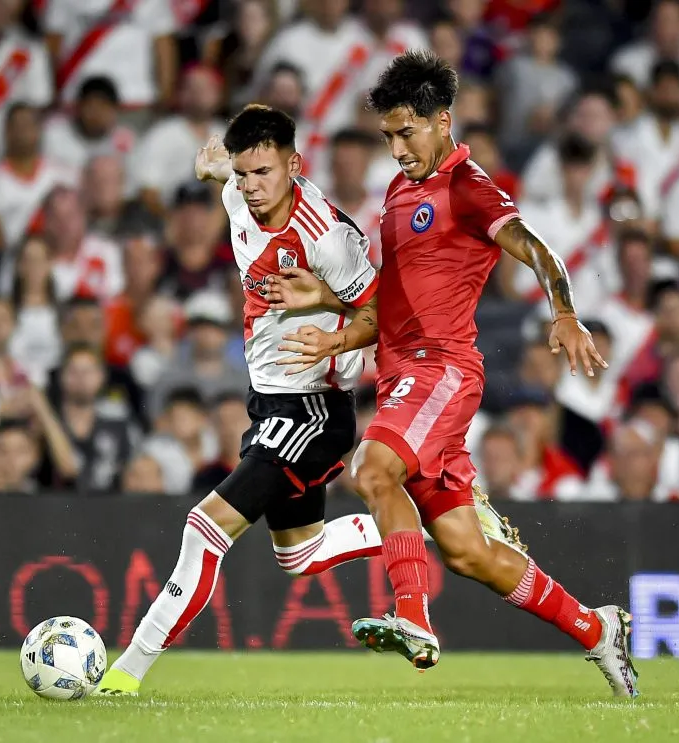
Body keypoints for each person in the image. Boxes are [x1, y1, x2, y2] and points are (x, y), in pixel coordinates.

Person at [97, 104, 508, 697]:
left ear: (293, 164)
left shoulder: (328, 238)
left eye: (263, 173)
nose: (251, 187)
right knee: (300, 555)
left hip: (313, 408)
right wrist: (215, 166)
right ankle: (432, 526)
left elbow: (384, 314)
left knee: (203, 527)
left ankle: (125, 673)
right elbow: (225, 173)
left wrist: (330, 321)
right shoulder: (239, 195)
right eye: (243, 175)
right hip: (270, 402)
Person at [266, 51, 637, 697]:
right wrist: (330, 306)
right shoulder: (398, 190)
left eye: (406, 131)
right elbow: (394, 300)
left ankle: (414, 617)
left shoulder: (469, 186)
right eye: (387, 134)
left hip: (441, 371)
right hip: (404, 375)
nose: (396, 146)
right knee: (467, 552)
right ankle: (596, 627)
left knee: (373, 469)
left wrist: (567, 312)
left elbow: (537, 247)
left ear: (443, 121)